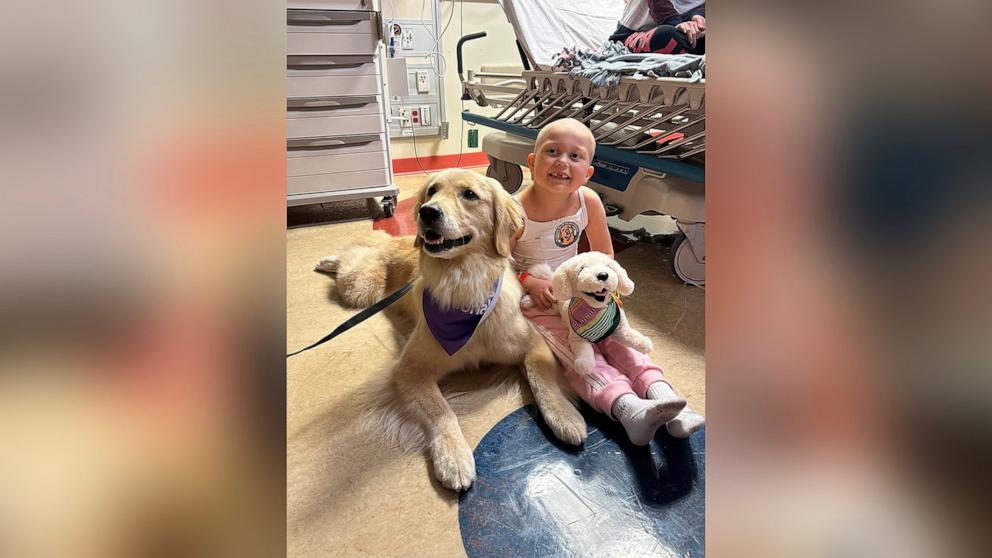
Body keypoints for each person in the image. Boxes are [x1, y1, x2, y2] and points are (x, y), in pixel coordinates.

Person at [510, 118, 705, 444]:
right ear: (532, 162)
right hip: (541, 302)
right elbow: (499, 264)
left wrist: (605, 291)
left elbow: (604, 256)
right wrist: (529, 281)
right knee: (580, 356)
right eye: (552, 152)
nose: (562, 161)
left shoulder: (588, 202)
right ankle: (628, 410)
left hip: (583, 293)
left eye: (575, 156)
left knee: (618, 338)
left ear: (587, 173)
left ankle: (667, 401)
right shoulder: (515, 210)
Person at [609, 0, 706, 55]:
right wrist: (677, 23)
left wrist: (698, 16)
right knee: (667, 35)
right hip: (633, 33)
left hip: (685, 30)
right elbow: (659, 4)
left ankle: (693, 49)